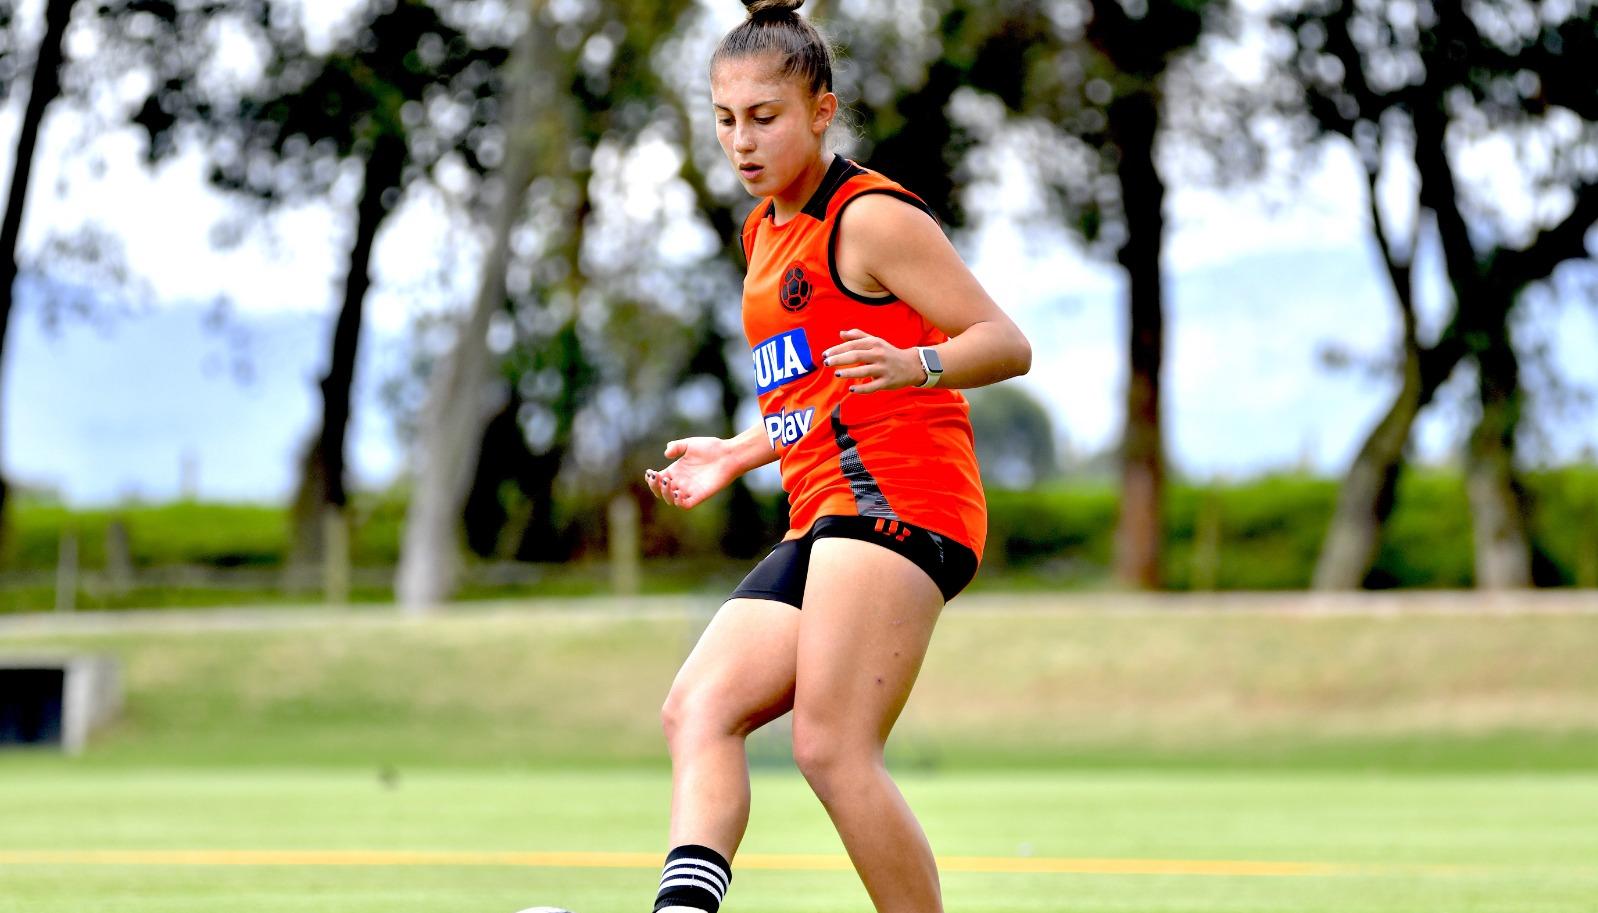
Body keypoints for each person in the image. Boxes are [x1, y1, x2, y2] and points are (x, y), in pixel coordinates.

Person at [642, 2, 1031, 912]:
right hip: (825, 512)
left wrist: (916, 363)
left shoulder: (870, 218)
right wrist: (739, 452)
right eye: (725, 119)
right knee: (696, 708)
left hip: (906, 502)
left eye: (765, 117)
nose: (742, 141)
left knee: (829, 743)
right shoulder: (762, 232)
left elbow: (1005, 341)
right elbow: (818, 395)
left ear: (822, 110)